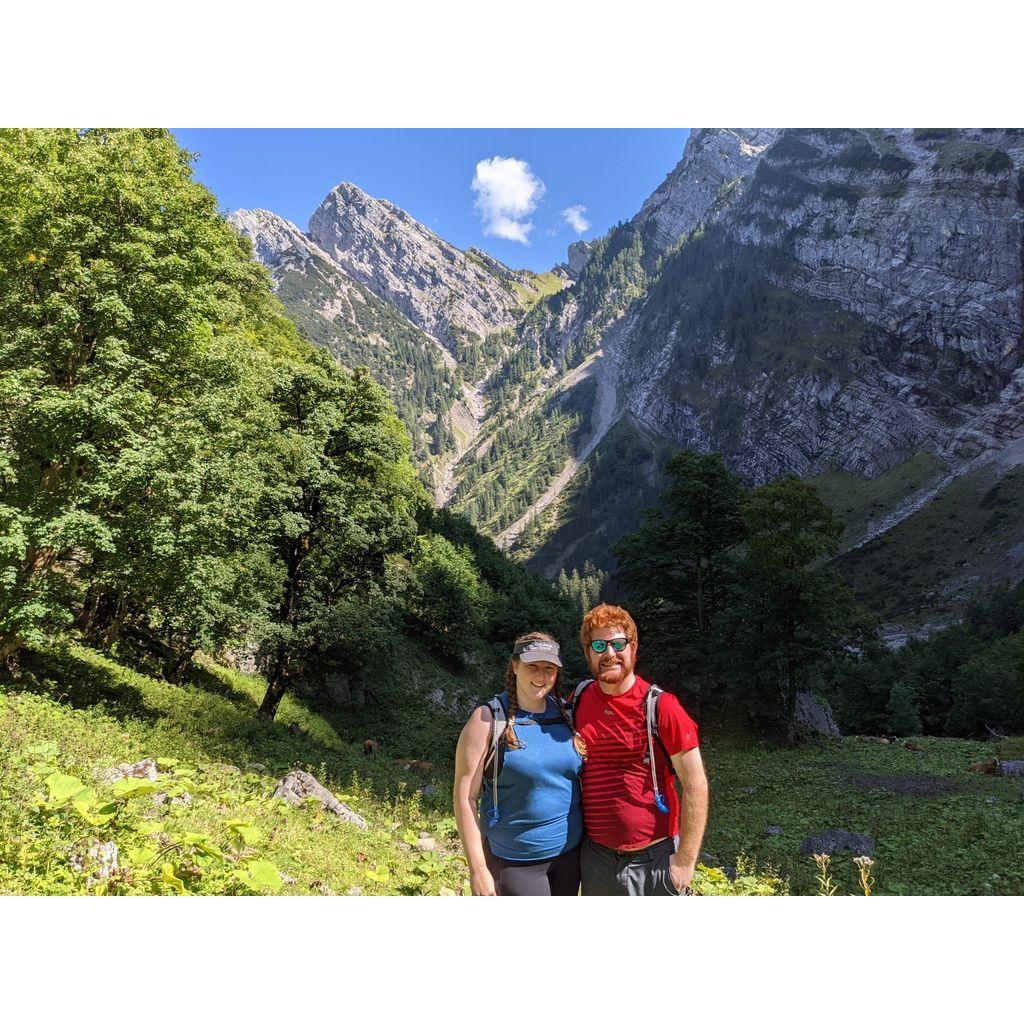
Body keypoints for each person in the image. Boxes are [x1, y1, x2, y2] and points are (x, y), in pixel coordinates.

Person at [571, 604, 708, 896]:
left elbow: (695, 784)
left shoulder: (661, 706)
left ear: (633, 648)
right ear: (587, 652)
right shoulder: (580, 698)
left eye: (618, 643)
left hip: (654, 858)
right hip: (596, 858)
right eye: (599, 644)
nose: (609, 653)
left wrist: (684, 861)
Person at [453, 631, 584, 896]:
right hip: (514, 860)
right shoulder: (487, 720)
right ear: (514, 666)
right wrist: (478, 869)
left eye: (549, 668)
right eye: (532, 666)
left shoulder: (567, 713)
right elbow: (465, 797)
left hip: (570, 854)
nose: (541, 676)